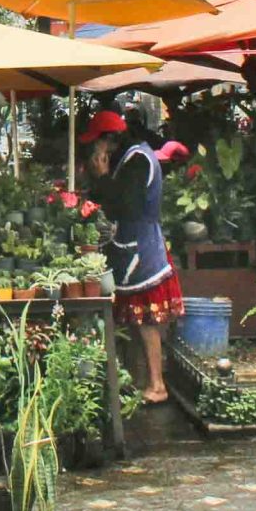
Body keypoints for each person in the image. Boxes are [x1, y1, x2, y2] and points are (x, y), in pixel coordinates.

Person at [80, 112, 184, 405]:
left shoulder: (137, 160)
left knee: (146, 319)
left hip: (142, 249)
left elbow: (126, 206)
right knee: (135, 320)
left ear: (110, 140)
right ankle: (143, 380)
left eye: (98, 143)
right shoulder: (130, 157)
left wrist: (101, 178)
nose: (96, 151)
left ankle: (157, 384)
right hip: (131, 246)